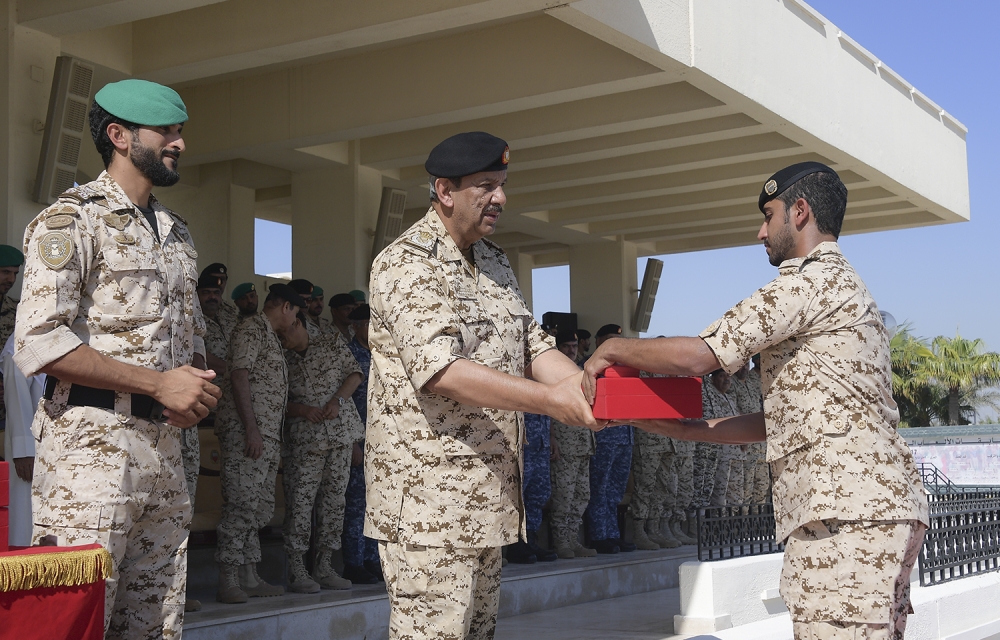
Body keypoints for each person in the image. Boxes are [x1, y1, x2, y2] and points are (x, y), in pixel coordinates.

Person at [583, 161, 929, 640]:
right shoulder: (847, 288)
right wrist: (667, 424)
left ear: (800, 212)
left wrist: (616, 347)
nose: (760, 231)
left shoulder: (807, 283)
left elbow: (701, 356)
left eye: (769, 215)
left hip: (843, 516)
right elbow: (781, 421)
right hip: (874, 507)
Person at [365, 131, 600, 639]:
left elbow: (532, 347)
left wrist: (591, 387)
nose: (501, 198)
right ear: (445, 191)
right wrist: (551, 402)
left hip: (487, 499)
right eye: (487, 186)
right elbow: (442, 370)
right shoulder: (407, 263)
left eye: (503, 184)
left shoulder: (494, 261)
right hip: (429, 506)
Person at [14, 78, 220, 637]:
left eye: (180, 131)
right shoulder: (71, 220)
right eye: (167, 132)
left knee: (156, 619)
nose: (179, 143)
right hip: (91, 453)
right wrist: (158, 385)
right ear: (120, 136)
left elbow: (188, 340)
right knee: (75, 616)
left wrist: (194, 392)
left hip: (166, 451)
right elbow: (40, 341)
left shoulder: (176, 233)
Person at [214, 283, 304, 604]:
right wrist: (251, 428)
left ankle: (249, 575)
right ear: (286, 308)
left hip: (264, 436)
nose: (294, 322)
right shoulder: (251, 328)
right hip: (246, 433)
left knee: (257, 508)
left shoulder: (269, 336)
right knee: (240, 505)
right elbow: (239, 375)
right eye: (295, 313)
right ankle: (228, 579)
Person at [282, 313, 364, 592]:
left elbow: (355, 373)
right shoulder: (281, 355)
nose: (283, 339)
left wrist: (338, 400)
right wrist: (302, 410)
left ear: (298, 323)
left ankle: (325, 566)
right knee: (300, 506)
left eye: (285, 333)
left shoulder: (330, 342)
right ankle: (297, 569)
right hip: (304, 441)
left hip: (340, 435)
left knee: (334, 504)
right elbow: (273, 399)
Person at [585, 326, 636, 554]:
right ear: (598, 342)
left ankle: (613, 534)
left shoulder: (626, 370)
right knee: (600, 488)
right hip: (603, 437)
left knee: (615, 490)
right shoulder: (590, 368)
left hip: (624, 436)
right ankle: (599, 535)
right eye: (608, 341)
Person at [342, 304, 382, 583]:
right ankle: (353, 563)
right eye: (369, 324)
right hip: (359, 441)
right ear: (356, 326)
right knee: (356, 506)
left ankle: (372, 559)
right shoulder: (348, 356)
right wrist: (354, 441)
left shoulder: (382, 356)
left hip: (381, 443)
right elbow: (344, 404)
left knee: (377, 504)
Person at [2, 332, 43, 547]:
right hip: (31, 449)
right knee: (24, 516)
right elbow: (16, 398)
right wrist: (23, 451)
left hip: (58, 447)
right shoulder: (19, 342)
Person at [0, 245, 24, 425]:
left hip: (9, 408)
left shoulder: (20, 311)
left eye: (15, 273)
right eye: (5, 272)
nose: (11, 279)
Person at [201, 262, 239, 335]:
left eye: (222, 279)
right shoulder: (192, 309)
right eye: (214, 279)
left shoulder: (230, 309)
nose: (219, 283)